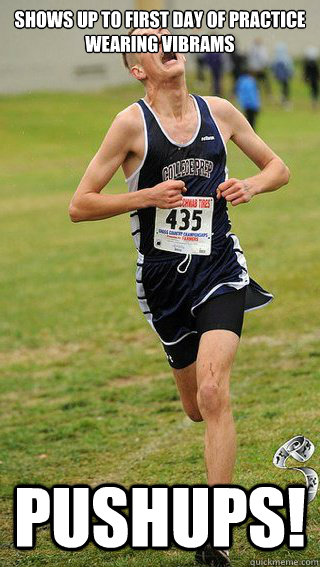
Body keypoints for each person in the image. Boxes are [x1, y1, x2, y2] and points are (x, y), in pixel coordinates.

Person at [69, 27, 290, 567]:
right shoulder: (129, 125)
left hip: (219, 265)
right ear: (137, 68)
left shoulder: (219, 111)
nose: (168, 41)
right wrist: (144, 195)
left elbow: (278, 168)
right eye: (151, 42)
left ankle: (212, 535)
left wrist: (251, 186)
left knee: (214, 393)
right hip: (162, 281)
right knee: (194, 407)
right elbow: (80, 204)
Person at [236, 66, 261, 130]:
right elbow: (254, 94)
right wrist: (257, 104)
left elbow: (239, 93)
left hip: (245, 104)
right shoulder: (251, 81)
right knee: (252, 122)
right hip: (252, 104)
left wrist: (240, 103)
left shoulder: (240, 81)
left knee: (247, 122)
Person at [271, 43, 294, 108]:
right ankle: (285, 100)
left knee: (283, 88)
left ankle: (283, 100)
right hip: (285, 77)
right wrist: (291, 74)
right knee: (285, 89)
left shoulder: (276, 58)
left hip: (279, 77)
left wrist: (274, 75)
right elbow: (290, 67)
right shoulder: (286, 58)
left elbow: (273, 67)